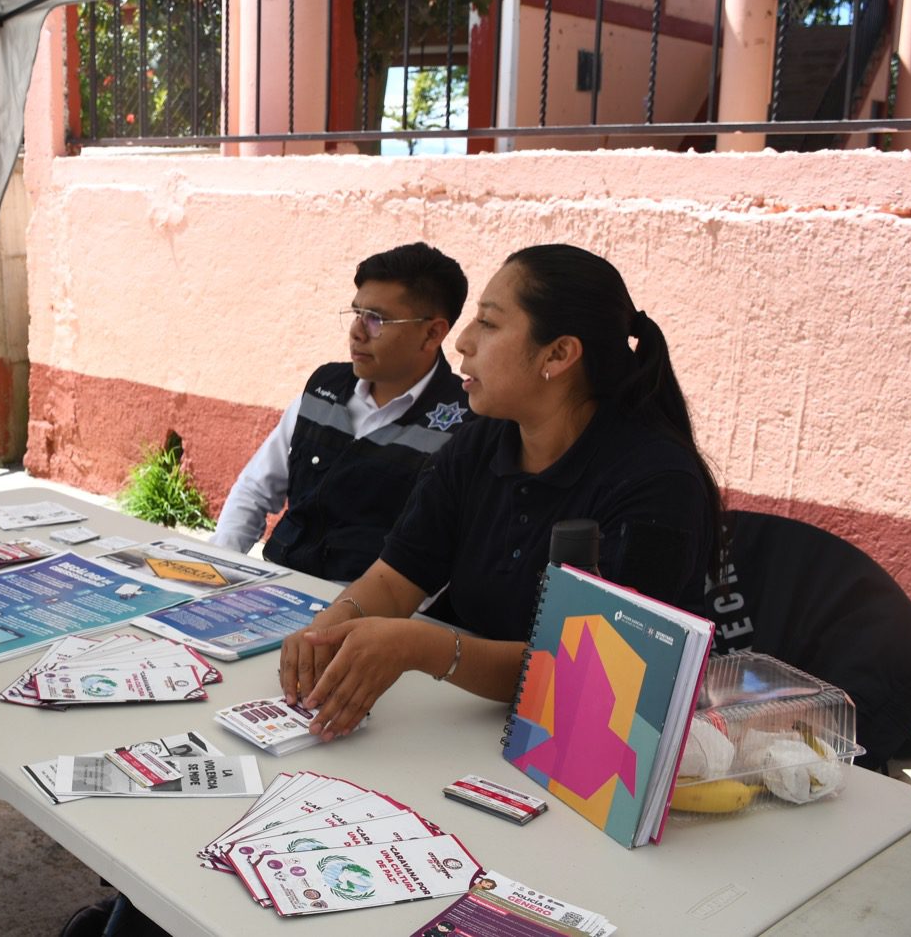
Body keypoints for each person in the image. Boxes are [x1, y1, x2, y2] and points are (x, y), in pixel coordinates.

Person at [280, 244, 721, 740]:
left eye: (488, 324)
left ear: (558, 354)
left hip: (590, 743)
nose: (463, 342)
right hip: (470, 722)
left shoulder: (655, 483)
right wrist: (329, 629)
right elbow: (396, 578)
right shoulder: (481, 441)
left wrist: (422, 646)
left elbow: (597, 671)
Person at [211, 242, 470, 581]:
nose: (357, 331)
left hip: (368, 615)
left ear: (432, 333)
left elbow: (448, 557)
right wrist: (218, 568)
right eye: (356, 313)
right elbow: (256, 488)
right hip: (278, 583)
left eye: (377, 319)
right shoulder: (324, 389)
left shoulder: (464, 425)